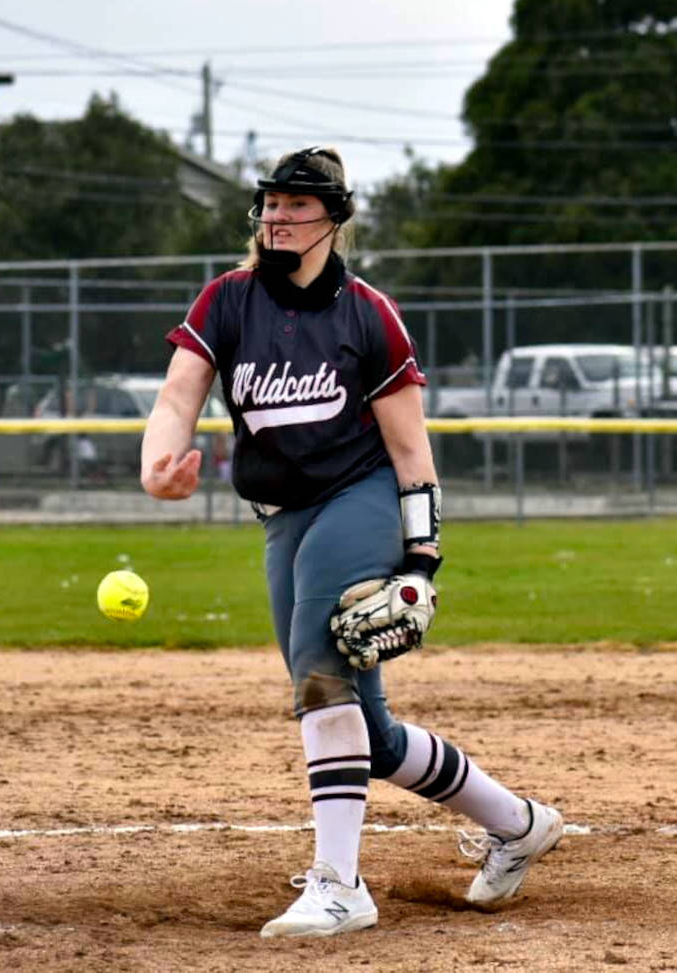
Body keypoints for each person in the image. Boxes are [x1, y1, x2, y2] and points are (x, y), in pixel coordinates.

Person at [140, 146, 563, 939]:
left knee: (316, 668)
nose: (278, 216)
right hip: (283, 515)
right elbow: (176, 396)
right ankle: (519, 821)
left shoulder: (367, 313)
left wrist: (420, 558)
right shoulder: (228, 301)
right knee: (367, 733)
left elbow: (412, 453)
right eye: (270, 203)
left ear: (335, 220)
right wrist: (156, 466)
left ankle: (341, 885)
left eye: (298, 206)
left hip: (361, 496)